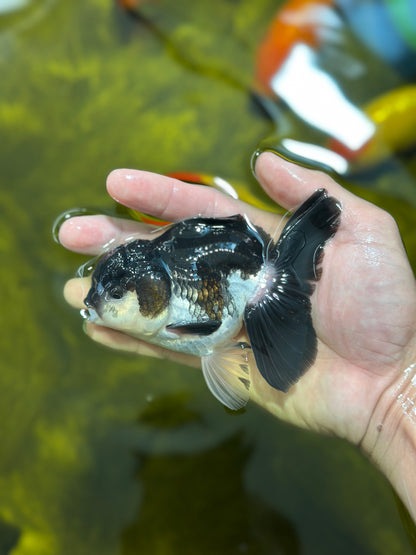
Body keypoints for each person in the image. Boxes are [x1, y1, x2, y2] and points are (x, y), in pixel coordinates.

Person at [59, 151, 416, 522]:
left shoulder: (177, 313)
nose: (102, 305)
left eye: (116, 297)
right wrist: (396, 390)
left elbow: (211, 335)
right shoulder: (153, 287)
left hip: (243, 279)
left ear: (150, 297)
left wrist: (399, 382)